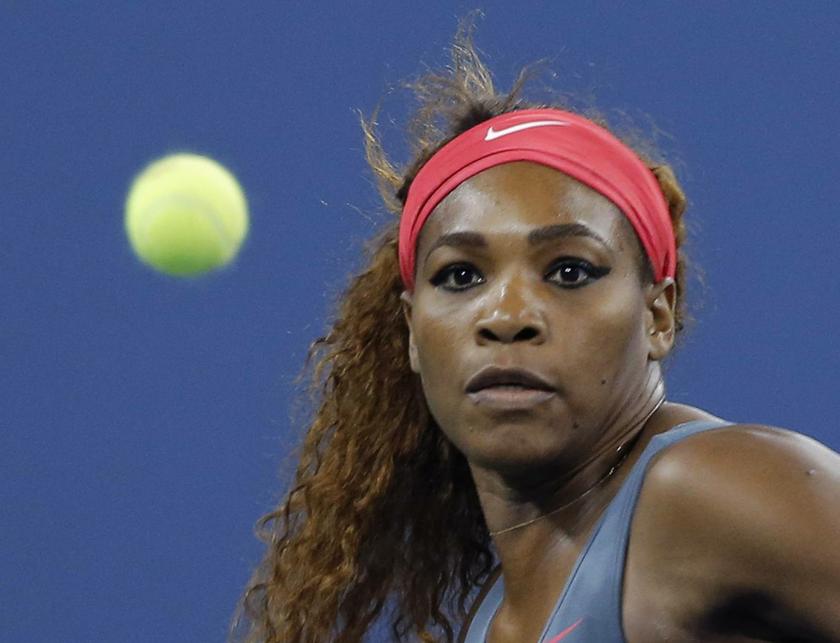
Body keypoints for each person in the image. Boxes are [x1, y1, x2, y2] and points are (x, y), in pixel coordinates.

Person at [231, 24, 840, 643]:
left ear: (657, 315)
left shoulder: (713, 491)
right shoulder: (492, 614)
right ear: (412, 331)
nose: (506, 316)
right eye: (461, 275)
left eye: (569, 271)